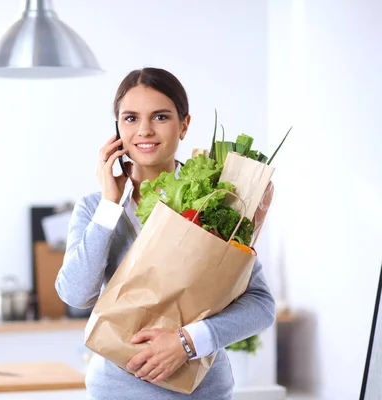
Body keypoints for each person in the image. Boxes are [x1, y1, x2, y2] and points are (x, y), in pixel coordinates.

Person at [55, 67, 276, 400]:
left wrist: (188, 342)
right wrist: (111, 205)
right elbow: (76, 294)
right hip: (117, 392)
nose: (144, 130)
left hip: (203, 392)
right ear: (117, 128)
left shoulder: (219, 200)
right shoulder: (95, 207)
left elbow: (261, 306)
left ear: (184, 125)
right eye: (130, 118)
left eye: (160, 116)